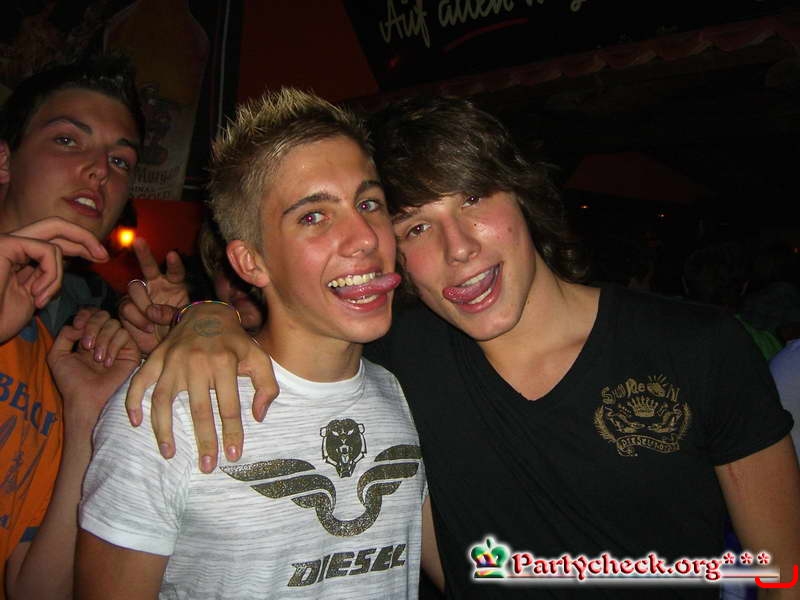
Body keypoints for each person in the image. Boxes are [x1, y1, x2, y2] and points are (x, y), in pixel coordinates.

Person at [130, 96, 800, 598]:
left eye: (474, 199)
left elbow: (783, 574)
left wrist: (202, 316)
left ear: (523, 196)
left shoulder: (699, 347)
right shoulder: (397, 360)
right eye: (416, 227)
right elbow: (294, 331)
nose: (458, 249)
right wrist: (204, 316)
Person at [77, 88, 440, 599]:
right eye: (313, 216)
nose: (365, 237)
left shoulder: (404, 394)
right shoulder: (166, 410)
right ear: (251, 262)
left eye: (368, 203)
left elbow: (471, 568)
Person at [0, 54, 145, 598]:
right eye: (67, 140)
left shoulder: (53, 354)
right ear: (4, 161)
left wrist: (87, 415)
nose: (100, 169)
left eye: (120, 160)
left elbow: (36, 590)